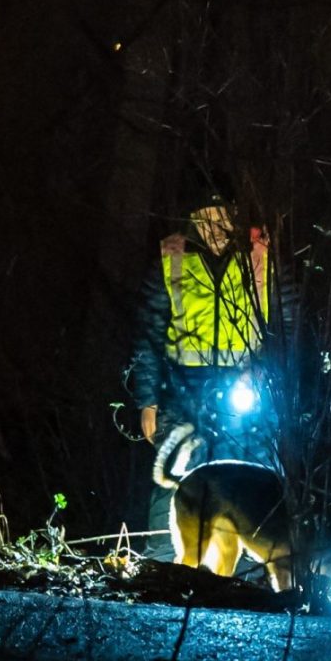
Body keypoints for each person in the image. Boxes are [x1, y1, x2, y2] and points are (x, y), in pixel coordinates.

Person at [127, 188, 289, 560]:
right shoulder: (172, 257)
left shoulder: (259, 257)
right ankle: (161, 567)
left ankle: (245, 586)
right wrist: (148, 399)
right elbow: (150, 333)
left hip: (243, 392)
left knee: (248, 483)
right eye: (204, 215)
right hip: (184, 390)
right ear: (191, 218)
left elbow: (285, 327)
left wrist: (262, 373)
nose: (213, 224)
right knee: (175, 481)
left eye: (221, 215)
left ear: (233, 216)